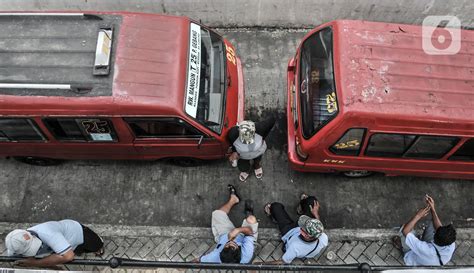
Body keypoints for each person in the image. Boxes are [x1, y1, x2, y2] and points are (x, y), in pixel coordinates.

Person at [5, 219, 104, 268]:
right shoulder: (14, 248)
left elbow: (69, 256)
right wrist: (51, 265)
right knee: (78, 250)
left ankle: (99, 248)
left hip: (79, 233)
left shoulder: (48, 232)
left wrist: (36, 263)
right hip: (67, 246)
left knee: (97, 244)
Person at [198, 185, 258, 264]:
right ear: (239, 251)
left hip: (223, 234)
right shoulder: (246, 253)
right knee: (251, 219)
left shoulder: (215, 257)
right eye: (233, 245)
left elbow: (198, 261)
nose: (230, 242)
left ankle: (233, 200)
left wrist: (182, 268)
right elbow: (250, 232)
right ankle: (249, 214)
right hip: (245, 237)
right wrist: (238, 230)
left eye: (226, 245)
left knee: (217, 214)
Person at [261, 195, 328, 264]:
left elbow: (283, 261)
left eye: (302, 227)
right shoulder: (323, 237)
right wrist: (316, 214)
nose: (301, 225)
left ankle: (273, 216)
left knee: (275, 207)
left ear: (305, 235)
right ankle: (301, 208)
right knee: (311, 201)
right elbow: (318, 228)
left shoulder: (295, 247)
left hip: (288, 232)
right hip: (297, 232)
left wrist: (261, 264)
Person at [392, 195, 456, 266]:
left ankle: (402, 248)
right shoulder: (450, 243)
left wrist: (418, 215)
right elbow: (439, 228)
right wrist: (432, 208)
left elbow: (405, 230)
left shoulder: (425, 249)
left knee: (405, 227)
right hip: (431, 253)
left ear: (434, 236)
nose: (438, 227)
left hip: (415, 257)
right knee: (433, 224)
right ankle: (415, 240)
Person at [227, 116, 276, 182]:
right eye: (244, 140)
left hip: (258, 152)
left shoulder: (261, 128)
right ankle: (247, 170)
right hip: (242, 156)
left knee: (257, 160)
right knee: (243, 167)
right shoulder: (232, 134)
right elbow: (231, 144)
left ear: (254, 130)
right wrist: (234, 151)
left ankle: (256, 165)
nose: (248, 144)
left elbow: (272, 120)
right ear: (239, 131)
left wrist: (264, 137)